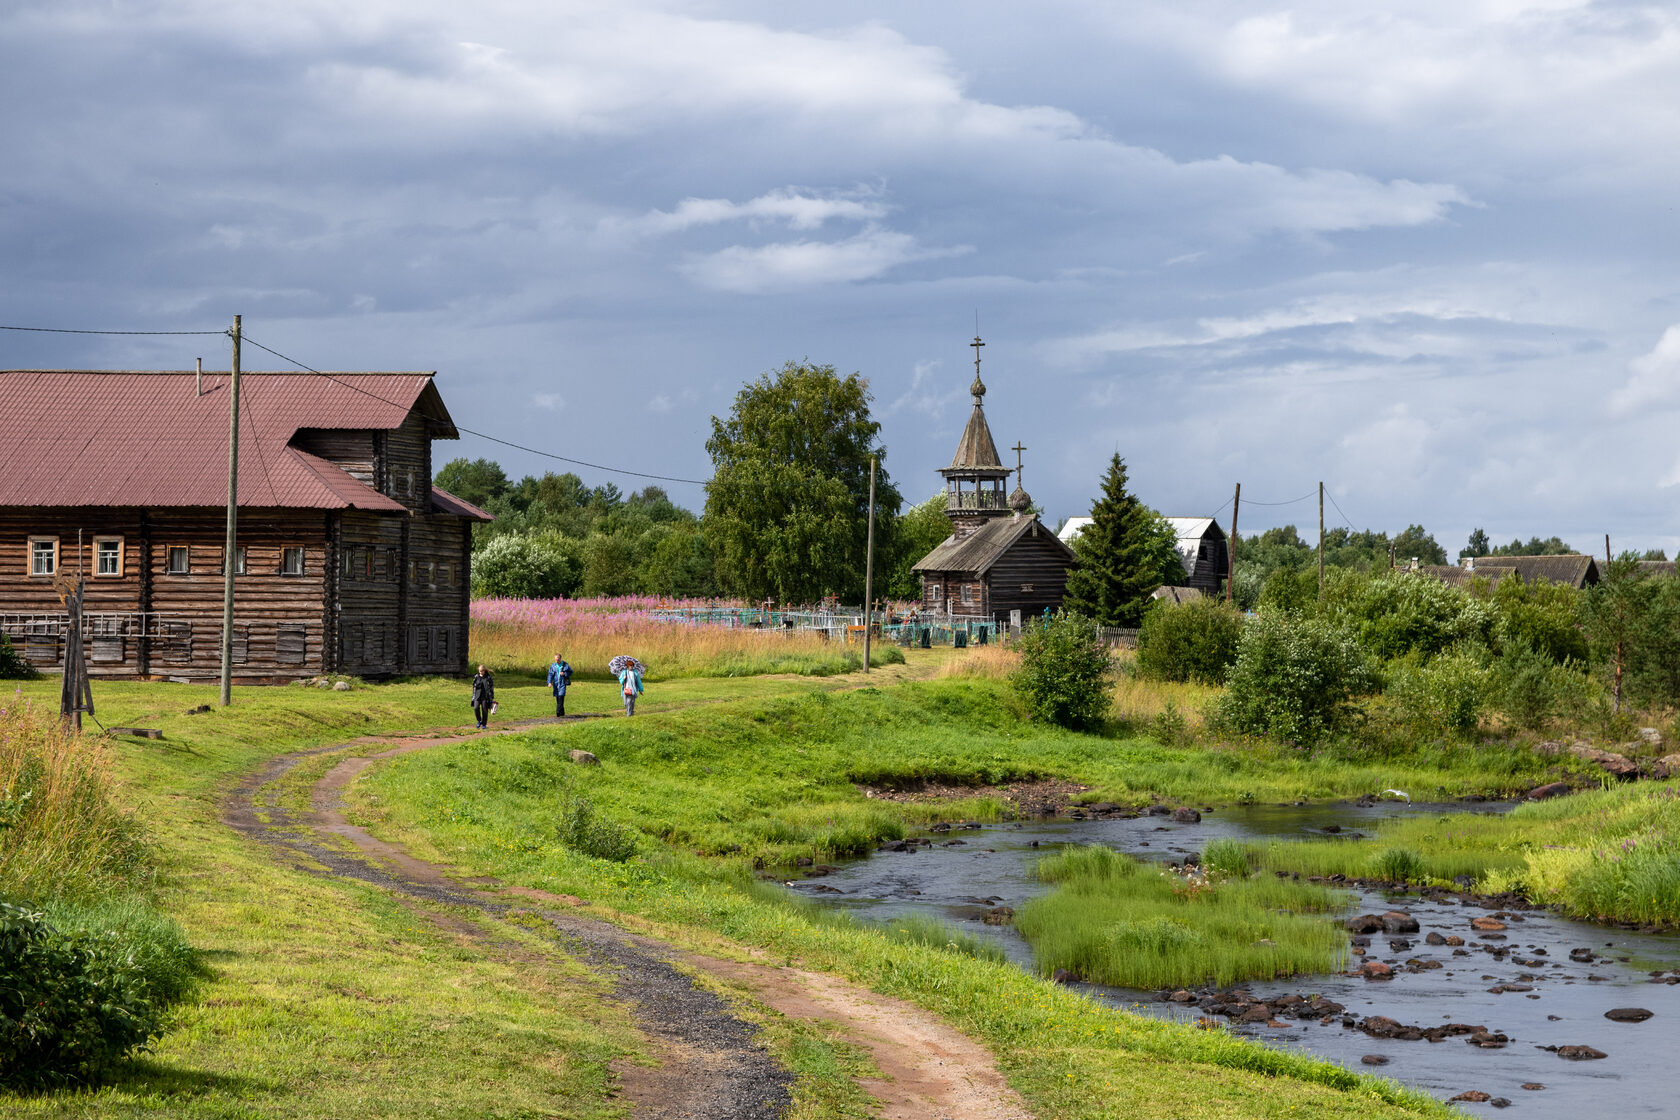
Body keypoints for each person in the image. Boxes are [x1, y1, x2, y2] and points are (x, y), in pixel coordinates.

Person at [546, 653, 573, 717]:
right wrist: (549, 682)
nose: (557, 661)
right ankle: (562, 712)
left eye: (558, 659)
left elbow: (570, 671)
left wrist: (564, 673)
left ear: (560, 659)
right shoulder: (553, 666)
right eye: (555, 659)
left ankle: (558, 711)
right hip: (555, 684)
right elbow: (550, 674)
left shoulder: (565, 665)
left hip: (562, 683)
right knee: (558, 697)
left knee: (561, 696)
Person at [471, 664, 495, 729]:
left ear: (484, 671)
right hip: (477, 695)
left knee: (485, 710)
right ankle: (479, 721)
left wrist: (492, 697)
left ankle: (484, 724)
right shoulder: (476, 677)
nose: (481, 672)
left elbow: (491, 687)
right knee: (476, 708)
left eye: (482, 671)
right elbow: (474, 687)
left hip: (485, 696)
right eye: (480, 671)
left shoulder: (488, 677)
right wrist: (473, 696)